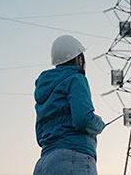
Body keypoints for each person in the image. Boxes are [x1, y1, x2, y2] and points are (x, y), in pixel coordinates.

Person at [33, 35, 105, 175]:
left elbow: (39, 135)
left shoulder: (43, 88)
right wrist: (99, 123)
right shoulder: (76, 78)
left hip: (43, 164)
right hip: (73, 160)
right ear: (79, 59)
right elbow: (83, 120)